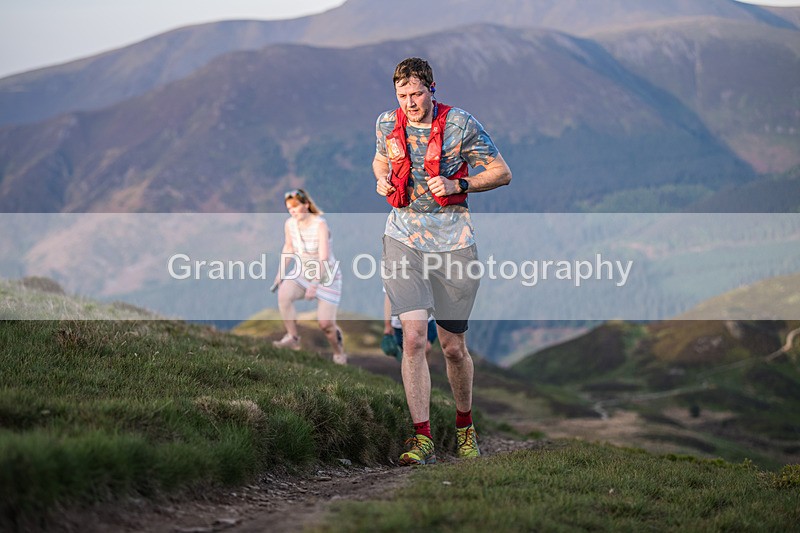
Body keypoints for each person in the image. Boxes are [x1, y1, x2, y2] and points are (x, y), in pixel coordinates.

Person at [373, 58, 512, 465]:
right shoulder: (386, 124)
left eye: (417, 94)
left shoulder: (461, 124)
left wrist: (458, 183)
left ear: (432, 88)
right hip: (402, 238)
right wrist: (380, 177)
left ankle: (466, 427)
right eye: (403, 96)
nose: (410, 103)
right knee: (414, 339)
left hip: (453, 244)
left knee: (452, 347)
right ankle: (422, 439)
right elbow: (380, 159)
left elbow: (502, 172)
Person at [272, 188, 347, 365]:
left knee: (326, 324)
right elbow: (289, 248)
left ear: (306, 204)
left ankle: (338, 352)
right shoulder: (290, 224)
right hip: (303, 272)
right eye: (289, 208)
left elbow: (324, 258)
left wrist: (314, 285)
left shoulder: (320, 224)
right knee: (284, 295)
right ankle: (293, 337)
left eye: (295, 206)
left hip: (326, 276)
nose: (292, 211)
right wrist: (280, 274)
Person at [382, 293, 437, 362]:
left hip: (425, 318)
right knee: (408, 354)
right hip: (400, 324)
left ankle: (423, 372)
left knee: (425, 348)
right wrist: (387, 324)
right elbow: (388, 296)